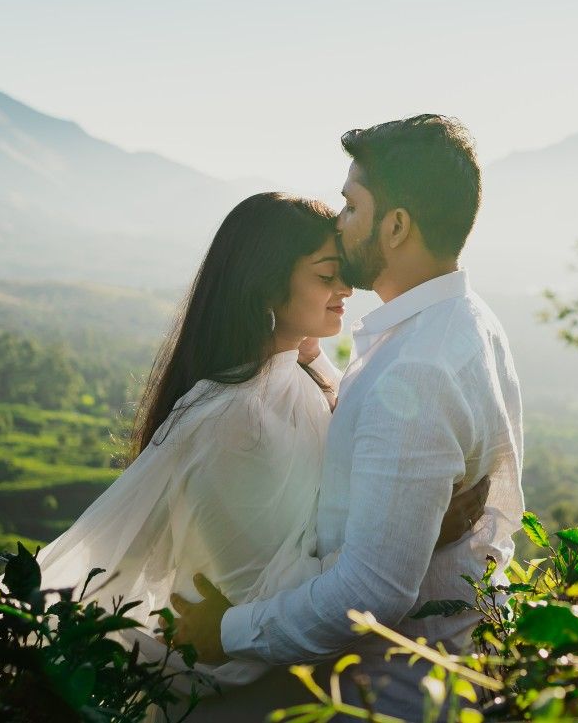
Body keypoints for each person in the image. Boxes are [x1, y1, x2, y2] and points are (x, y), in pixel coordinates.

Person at [21, 191, 483, 720]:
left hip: (304, 683)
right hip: (248, 693)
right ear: (266, 288)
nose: (346, 288)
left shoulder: (292, 379)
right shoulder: (234, 425)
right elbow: (258, 592)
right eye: (325, 275)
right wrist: (421, 535)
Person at [172, 115, 525, 721]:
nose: (339, 222)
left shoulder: (416, 370)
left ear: (395, 226)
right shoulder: (465, 322)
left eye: (350, 206)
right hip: (432, 669)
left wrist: (225, 632)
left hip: (385, 697)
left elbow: (373, 593)